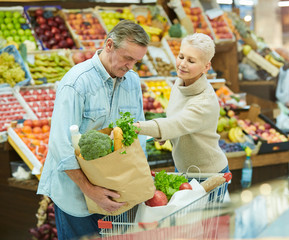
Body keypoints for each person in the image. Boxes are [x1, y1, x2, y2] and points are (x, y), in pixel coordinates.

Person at [37, 20, 149, 240]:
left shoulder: (133, 82)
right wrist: (90, 190)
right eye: (127, 58)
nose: (131, 66)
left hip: (117, 195)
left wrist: (139, 177)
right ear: (109, 45)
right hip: (77, 196)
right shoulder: (76, 83)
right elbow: (61, 145)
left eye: (136, 61)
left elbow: (139, 134)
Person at [135, 33, 229, 175]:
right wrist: (166, 135)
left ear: (206, 67)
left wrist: (135, 127)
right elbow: (175, 119)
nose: (183, 64)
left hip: (208, 173)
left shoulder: (204, 102)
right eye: (181, 57)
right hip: (183, 168)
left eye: (191, 61)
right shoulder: (179, 84)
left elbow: (176, 124)